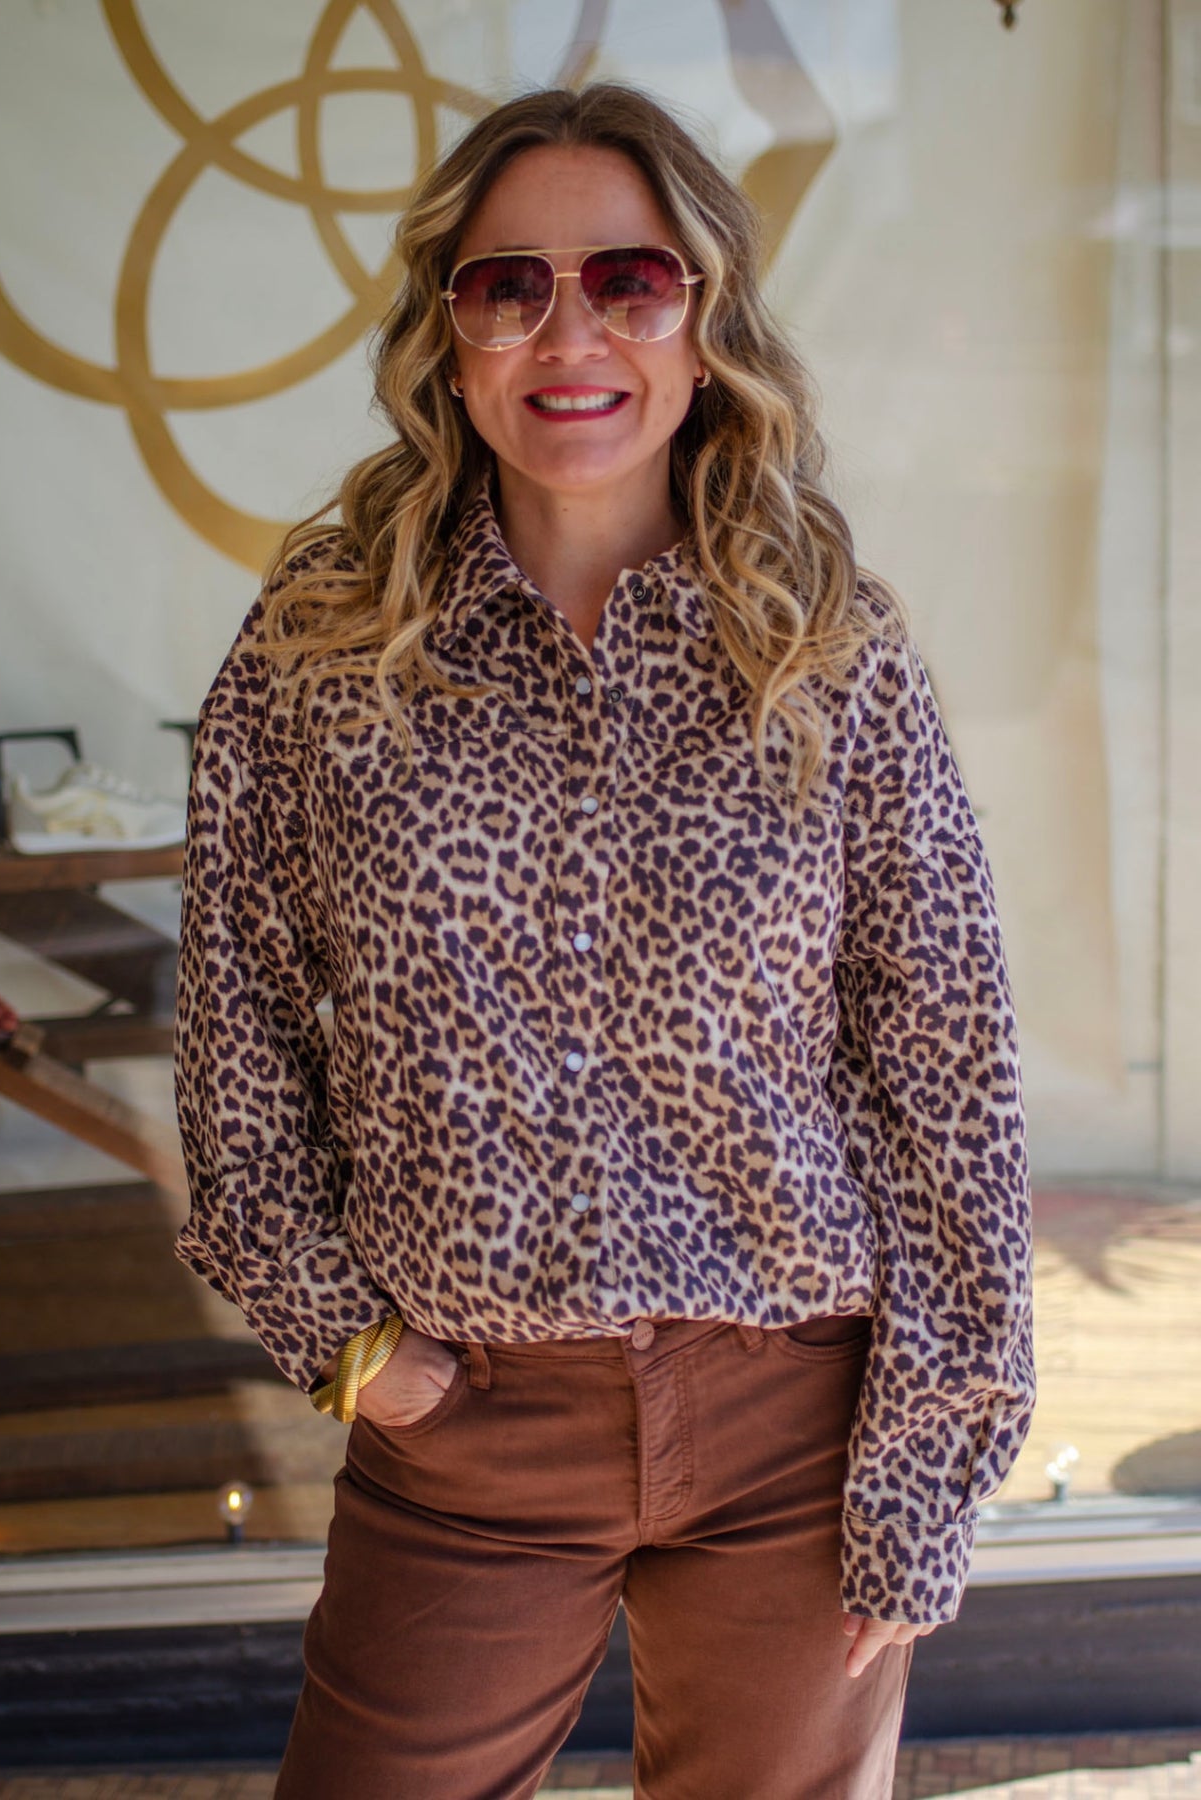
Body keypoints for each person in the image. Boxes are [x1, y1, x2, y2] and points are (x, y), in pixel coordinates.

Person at [172, 81, 1036, 1800]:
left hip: (798, 1427)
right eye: (510, 287)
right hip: (466, 1429)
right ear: (450, 337)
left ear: (705, 325)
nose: (570, 335)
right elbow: (234, 1020)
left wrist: (927, 1464)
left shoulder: (831, 651)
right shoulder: (324, 650)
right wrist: (350, 1343)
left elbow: (949, 1069)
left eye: (630, 282)